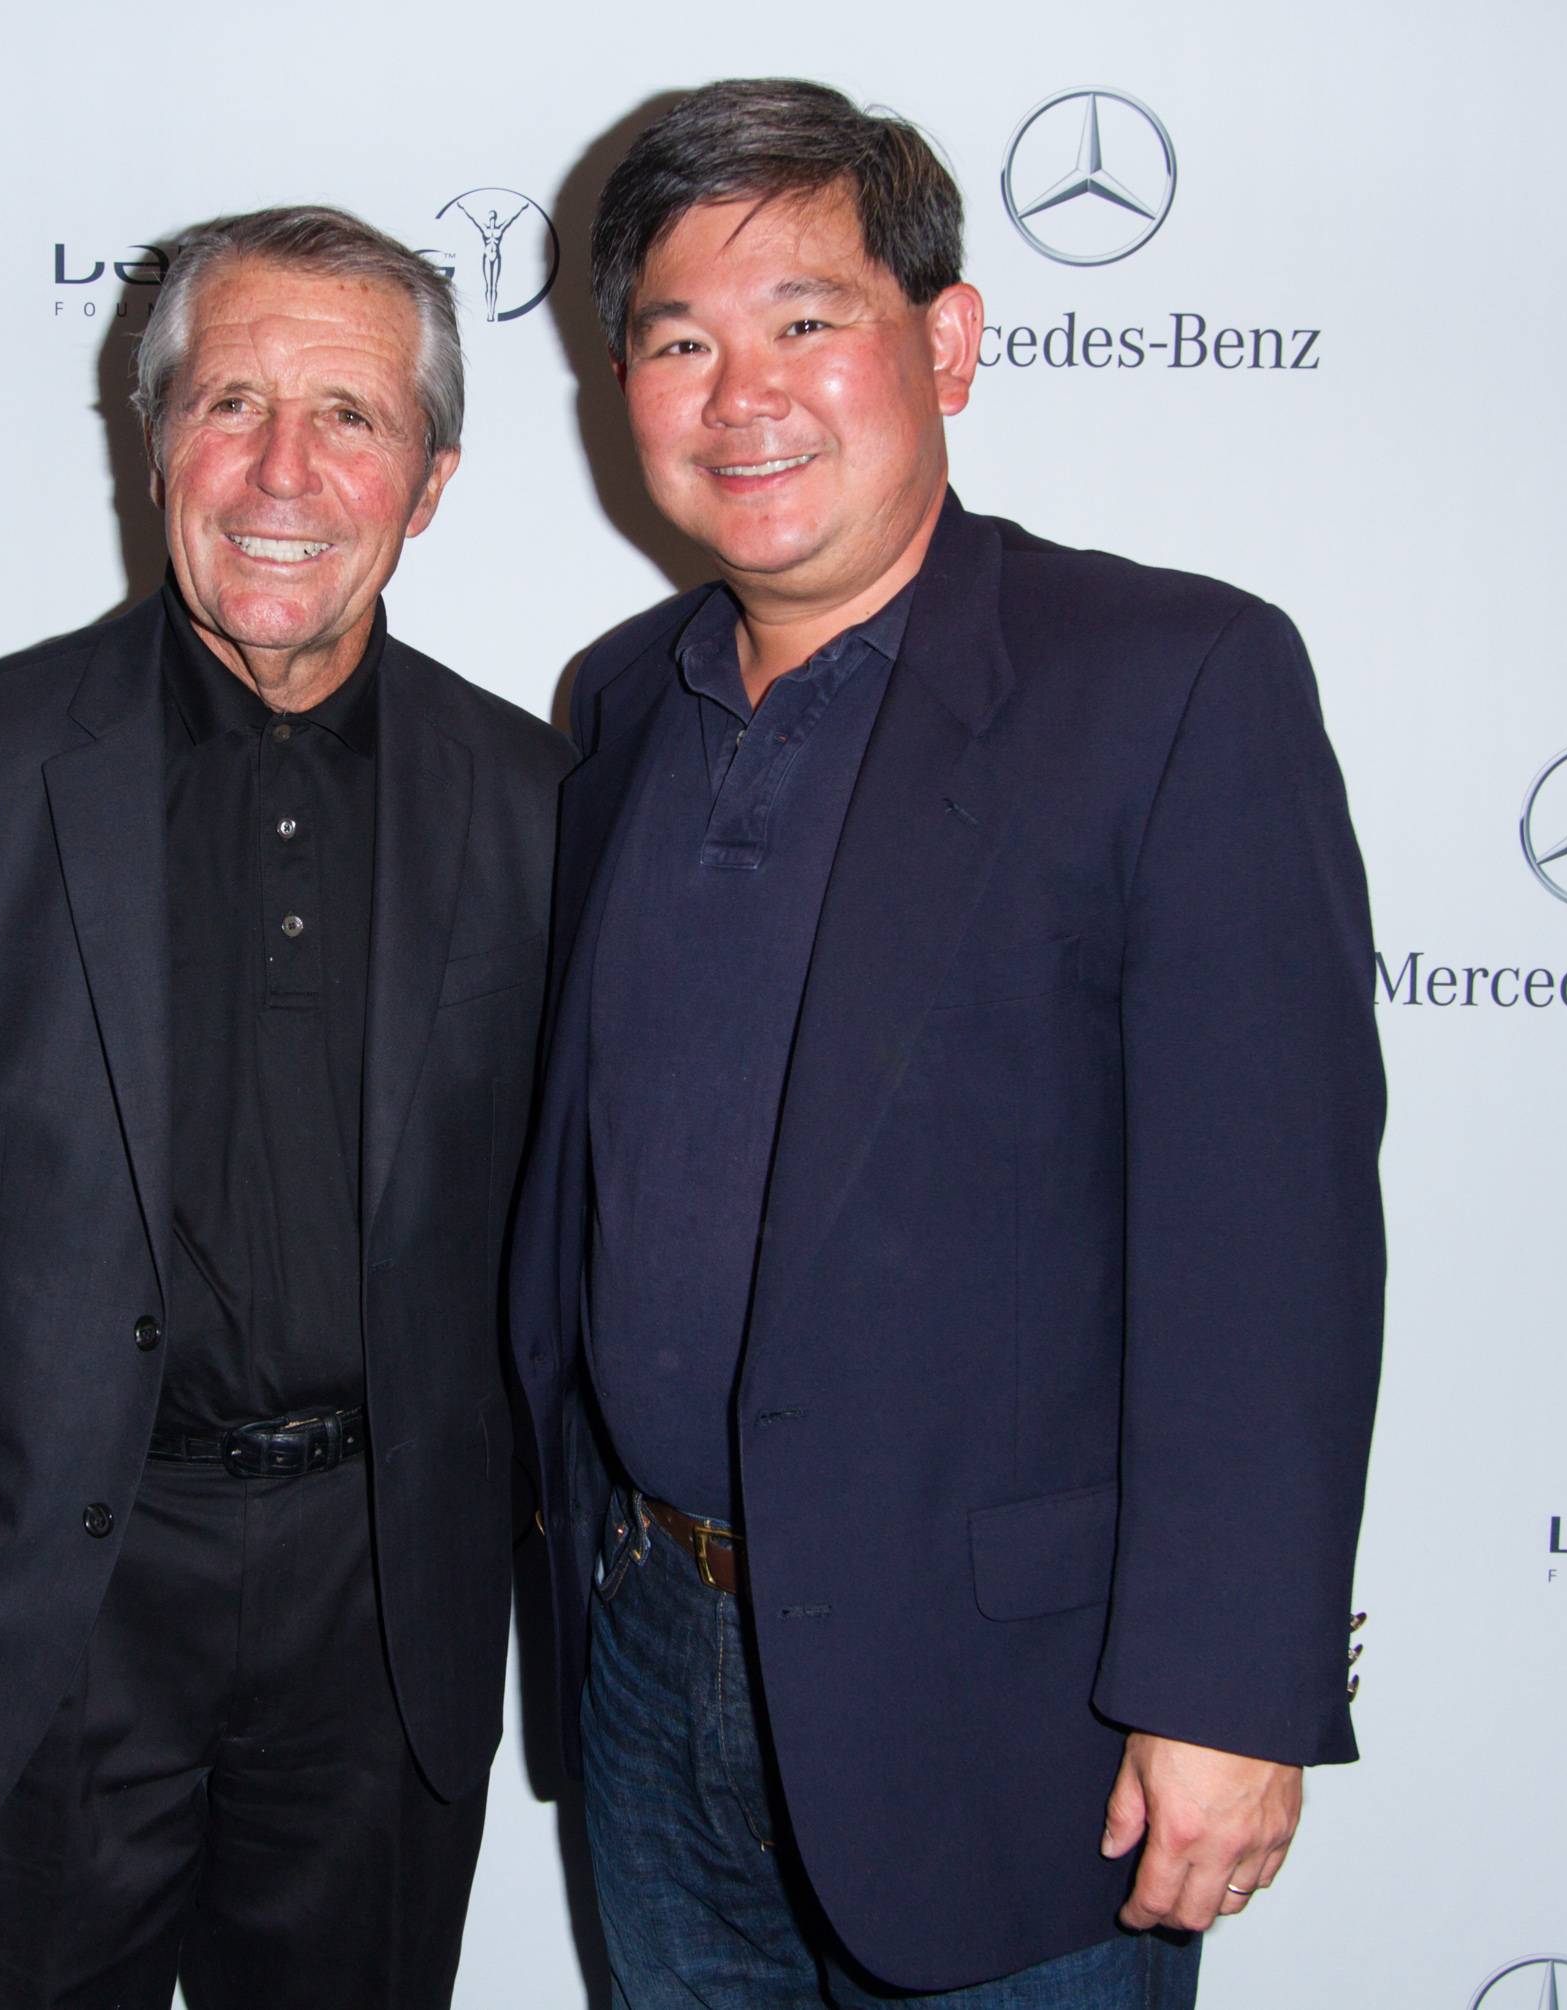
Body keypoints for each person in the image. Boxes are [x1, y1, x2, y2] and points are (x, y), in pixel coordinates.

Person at [508, 81, 1387, 2007]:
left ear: (949, 341)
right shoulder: (621, 705)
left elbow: (1274, 1238)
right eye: (679, 340)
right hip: (650, 1662)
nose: (742, 394)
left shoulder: (1171, 682)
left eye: (805, 319)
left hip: (1012, 1712)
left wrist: (1232, 1687)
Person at [0, 204, 569, 2010]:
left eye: (350, 417)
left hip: (385, 1610)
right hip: (36, 1601)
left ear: (430, 482)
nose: (282, 471)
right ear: (153, 437)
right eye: (230, 402)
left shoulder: (543, 800)